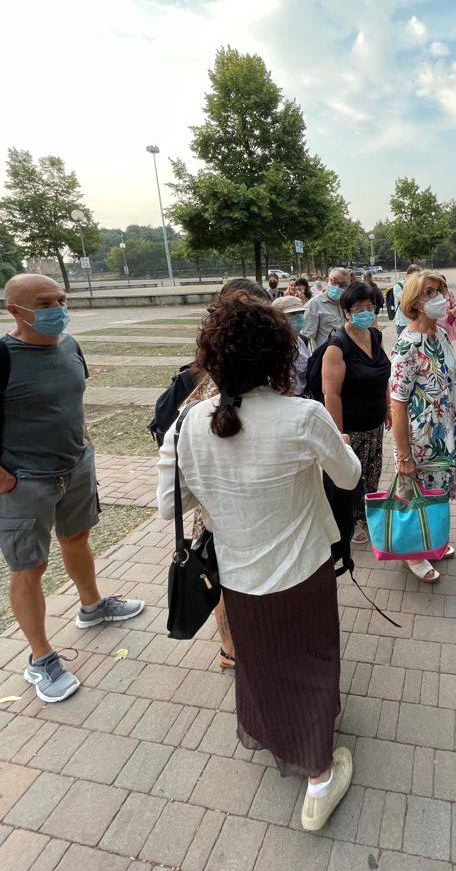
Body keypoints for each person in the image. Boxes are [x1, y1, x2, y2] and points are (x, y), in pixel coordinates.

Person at [157, 296, 361, 830]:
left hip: (239, 575)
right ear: (280, 354)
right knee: (311, 659)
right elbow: (348, 476)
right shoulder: (304, 416)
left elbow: (166, 505)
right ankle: (318, 773)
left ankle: (275, 733)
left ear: (211, 359)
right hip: (304, 571)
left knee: (262, 661)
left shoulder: (185, 426)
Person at [0, 275, 144, 703]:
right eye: (45, 302)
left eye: (61, 300)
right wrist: (5, 479)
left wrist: (82, 438)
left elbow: (71, 396)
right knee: (29, 567)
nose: (57, 308)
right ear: (16, 310)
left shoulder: (68, 344)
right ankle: (40, 658)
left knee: (76, 538)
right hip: (24, 480)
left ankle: (92, 606)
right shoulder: (4, 355)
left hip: (74, 466)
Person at [181, 277, 271, 669]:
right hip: (221, 500)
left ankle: (241, 641)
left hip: (247, 492)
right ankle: (231, 647)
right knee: (221, 571)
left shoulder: (227, 359)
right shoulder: (217, 379)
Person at [390, 270, 456, 582]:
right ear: (414, 302)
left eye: (438, 290)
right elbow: (397, 403)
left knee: (437, 493)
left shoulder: (438, 334)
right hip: (421, 439)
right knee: (416, 495)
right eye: (428, 293)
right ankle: (412, 554)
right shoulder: (407, 345)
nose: (438, 297)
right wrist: (404, 456)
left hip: (445, 432)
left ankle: (431, 539)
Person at [321, 282, 392, 544]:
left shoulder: (375, 335)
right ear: (347, 312)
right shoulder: (337, 346)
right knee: (351, 476)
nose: (366, 312)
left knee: (372, 473)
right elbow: (331, 394)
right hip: (350, 428)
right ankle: (349, 519)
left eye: (370, 307)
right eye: (359, 308)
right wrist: (339, 434)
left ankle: (365, 515)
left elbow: (383, 373)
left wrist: (387, 407)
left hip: (374, 422)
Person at [272, 294, 313, 396]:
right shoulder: (272, 345)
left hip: (303, 399)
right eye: (293, 314)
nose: (299, 317)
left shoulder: (303, 341)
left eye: (301, 312)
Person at [303, 267, 351, 346]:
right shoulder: (313, 304)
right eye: (334, 282)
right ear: (327, 280)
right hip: (325, 354)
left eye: (342, 285)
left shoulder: (345, 303)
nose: (337, 287)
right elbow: (307, 337)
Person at [392, 264, 422, 338]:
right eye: (415, 277)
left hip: (416, 321)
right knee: (404, 346)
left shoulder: (418, 285)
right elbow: (404, 300)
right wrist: (409, 285)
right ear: (408, 275)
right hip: (403, 323)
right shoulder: (398, 286)